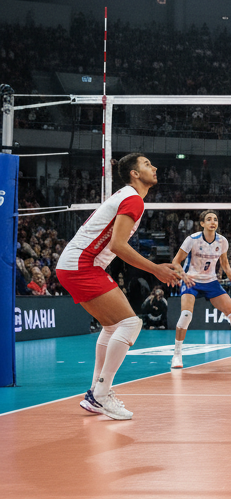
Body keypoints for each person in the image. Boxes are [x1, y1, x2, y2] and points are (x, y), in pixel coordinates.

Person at [55, 152, 189, 420]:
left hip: (75, 264)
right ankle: (101, 394)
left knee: (112, 327)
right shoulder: (132, 199)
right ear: (134, 174)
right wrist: (156, 269)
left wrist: (157, 267)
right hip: (82, 264)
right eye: (147, 164)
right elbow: (118, 245)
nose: (155, 167)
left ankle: (96, 393)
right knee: (130, 323)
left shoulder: (127, 196)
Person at [170, 209, 231, 369]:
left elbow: (224, 262)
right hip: (191, 280)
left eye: (215, 219)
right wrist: (183, 275)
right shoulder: (192, 240)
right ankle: (177, 354)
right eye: (209, 219)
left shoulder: (222, 241)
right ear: (202, 223)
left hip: (211, 281)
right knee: (186, 315)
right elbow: (176, 261)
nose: (213, 222)